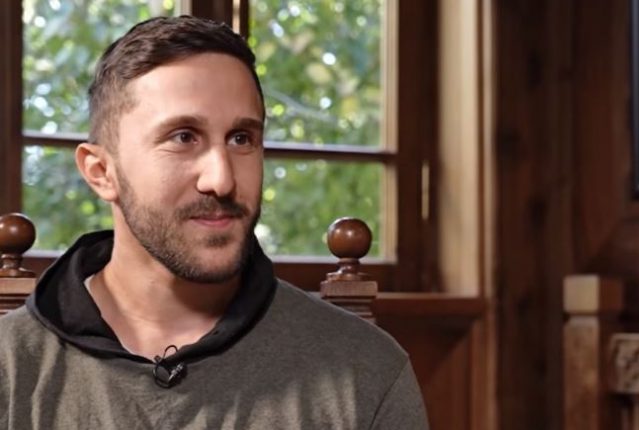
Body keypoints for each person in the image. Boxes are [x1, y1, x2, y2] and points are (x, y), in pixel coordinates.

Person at [0, 16, 428, 429]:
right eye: (183, 137)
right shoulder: (11, 369)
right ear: (101, 172)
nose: (221, 179)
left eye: (242, 139)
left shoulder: (365, 372)